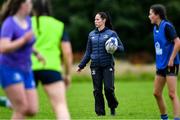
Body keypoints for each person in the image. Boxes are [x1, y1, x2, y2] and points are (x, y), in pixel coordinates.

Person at [0, 0, 42, 119]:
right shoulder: (9, 23)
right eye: (28, 3)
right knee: (22, 107)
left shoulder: (28, 20)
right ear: (20, 5)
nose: (31, 6)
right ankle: (12, 102)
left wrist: (36, 53)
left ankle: (6, 102)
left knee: (32, 109)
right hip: (9, 68)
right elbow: (3, 47)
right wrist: (23, 40)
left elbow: (28, 42)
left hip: (26, 69)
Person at [31, 0, 72, 119]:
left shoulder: (26, 23)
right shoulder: (58, 25)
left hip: (27, 68)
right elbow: (67, 52)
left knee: (21, 109)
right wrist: (67, 74)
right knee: (60, 106)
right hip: (51, 68)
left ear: (33, 8)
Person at [77, 12, 124, 116]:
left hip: (107, 65)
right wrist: (81, 65)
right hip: (95, 66)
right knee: (97, 90)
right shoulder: (91, 34)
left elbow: (122, 48)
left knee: (108, 89)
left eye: (98, 19)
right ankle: (100, 114)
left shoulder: (112, 34)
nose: (95, 21)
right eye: (95, 19)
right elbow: (88, 52)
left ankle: (112, 106)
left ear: (104, 20)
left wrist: (114, 47)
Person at [149, 4, 180, 120]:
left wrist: (171, 59)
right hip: (161, 65)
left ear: (157, 15)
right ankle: (164, 118)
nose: (149, 16)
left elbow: (178, 42)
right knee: (156, 93)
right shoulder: (155, 28)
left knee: (172, 94)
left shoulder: (167, 26)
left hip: (171, 64)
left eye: (151, 13)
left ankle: (177, 118)